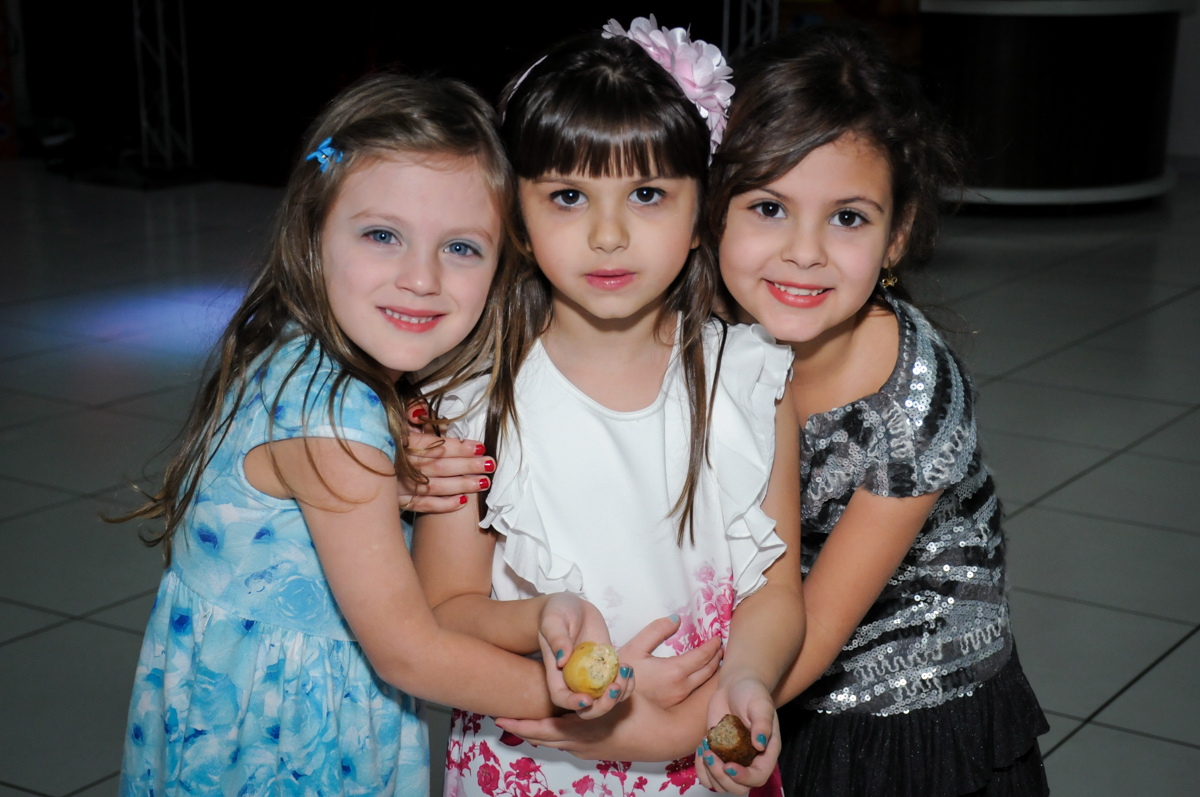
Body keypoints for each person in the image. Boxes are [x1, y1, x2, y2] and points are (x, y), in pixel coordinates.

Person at [116, 73, 594, 797]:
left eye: (462, 247)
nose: (421, 277)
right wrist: (578, 700)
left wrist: (391, 479)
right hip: (292, 745)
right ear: (313, 234)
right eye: (382, 235)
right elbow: (409, 653)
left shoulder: (300, 352)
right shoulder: (334, 417)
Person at [412, 17, 805, 797]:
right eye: (568, 196)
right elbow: (445, 607)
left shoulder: (750, 380)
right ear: (517, 219)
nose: (609, 234)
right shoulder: (474, 396)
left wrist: (747, 679)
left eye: (648, 194)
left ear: (701, 214)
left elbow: (775, 589)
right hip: (529, 768)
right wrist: (541, 622)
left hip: (697, 763)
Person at [709, 26, 1050, 797]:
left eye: (848, 218)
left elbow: (819, 631)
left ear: (896, 236)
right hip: (761, 656)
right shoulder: (705, 332)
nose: (804, 251)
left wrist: (677, 722)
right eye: (769, 206)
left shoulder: (917, 401)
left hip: (900, 715)